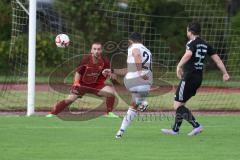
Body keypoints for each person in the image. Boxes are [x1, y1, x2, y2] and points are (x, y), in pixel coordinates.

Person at [161, 22, 230, 136]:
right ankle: (175, 130)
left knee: (177, 106)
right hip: (198, 78)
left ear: (190, 31)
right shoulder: (205, 44)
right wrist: (225, 73)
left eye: (187, 30)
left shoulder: (191, 43)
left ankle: (196, 126)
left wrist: (179, 66)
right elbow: (217, 60)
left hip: (189, 77)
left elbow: (188, 54)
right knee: (181, 104)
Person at [47, 42, 119, 118]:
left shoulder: (105, 61)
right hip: (82, 85)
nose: (96, 51)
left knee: (110, 92)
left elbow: (108, 73)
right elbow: (78, 73)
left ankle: (109, 113)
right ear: (91, 50)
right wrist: (76, 83)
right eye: (94, 49)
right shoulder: (86, 59)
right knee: (70, 99)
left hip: (95, 85)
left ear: (101, 51)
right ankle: (52, 113)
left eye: (98, 49)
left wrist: (110, 74)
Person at [105, 32, 153, 138]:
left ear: (130, 41)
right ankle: (120, 131)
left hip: (132, 81)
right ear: (142, 40)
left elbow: (136, 54)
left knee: (133, 104)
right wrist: (112, 70)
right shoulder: (148, 51)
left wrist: (140, 72)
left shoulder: (133, 47)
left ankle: (142, 102)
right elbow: (128, 69)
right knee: (134, 105)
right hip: (146, 83)